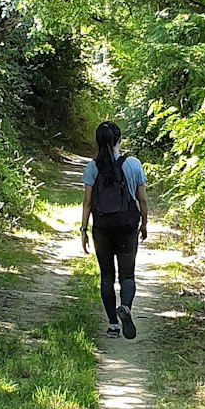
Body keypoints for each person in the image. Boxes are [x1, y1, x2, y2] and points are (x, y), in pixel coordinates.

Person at [80, 121, 148, 339]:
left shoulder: (92, 167)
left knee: (107, 277)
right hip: (127, 226)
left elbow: (87, 202)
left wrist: (83, 230)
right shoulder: (133, 164)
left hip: (103, 227)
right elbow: (143, 199)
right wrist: (144, 223)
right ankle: (125, 308)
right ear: (119, 139)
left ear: (98, 142)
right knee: (127, 275)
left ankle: (112, 325)